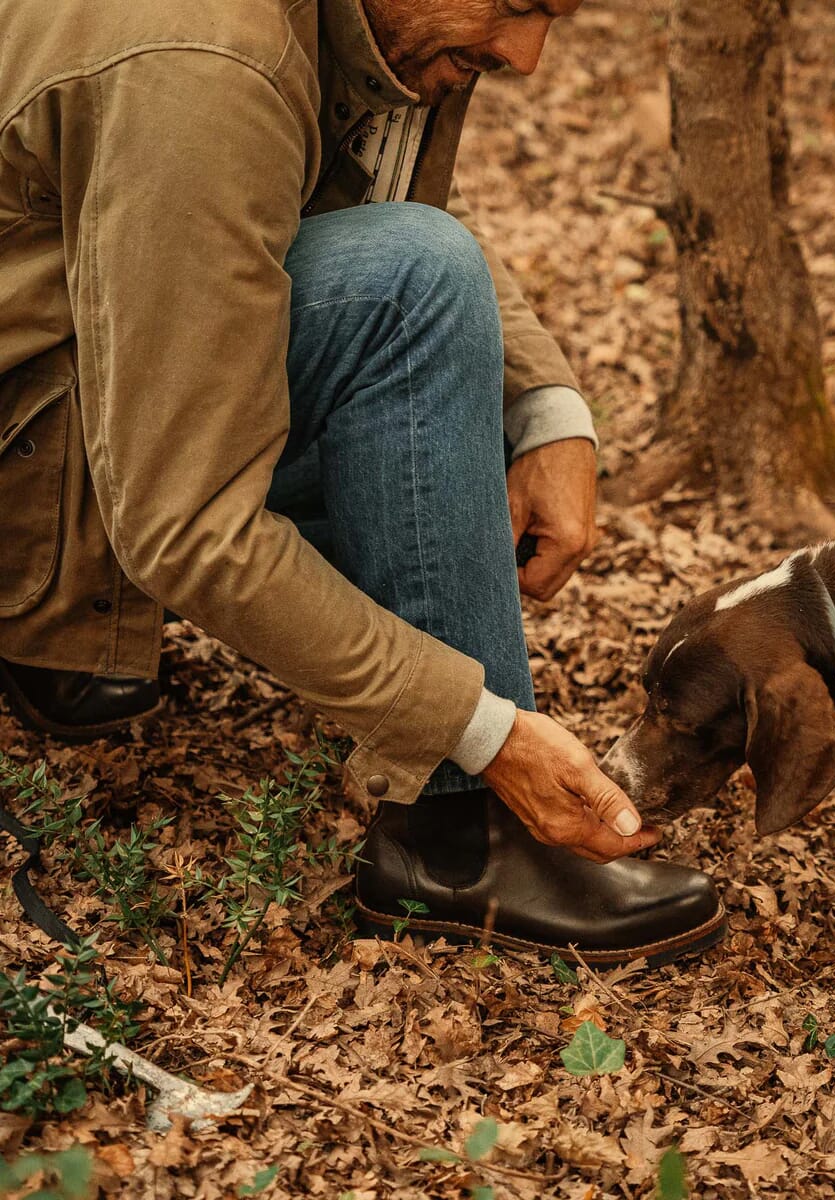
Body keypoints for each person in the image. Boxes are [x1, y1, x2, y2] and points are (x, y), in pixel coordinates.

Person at [0, 0, 726, 965]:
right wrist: (483, 736)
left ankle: (60, 633)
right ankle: (462, 838)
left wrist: (549, 408)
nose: (529, 56)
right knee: (412, 288)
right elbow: (185, 526)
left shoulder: (379, 25)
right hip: (39, 455)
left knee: (414, 269)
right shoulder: (205, 63)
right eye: (515, 5)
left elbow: (373, 208)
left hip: (68, 371)